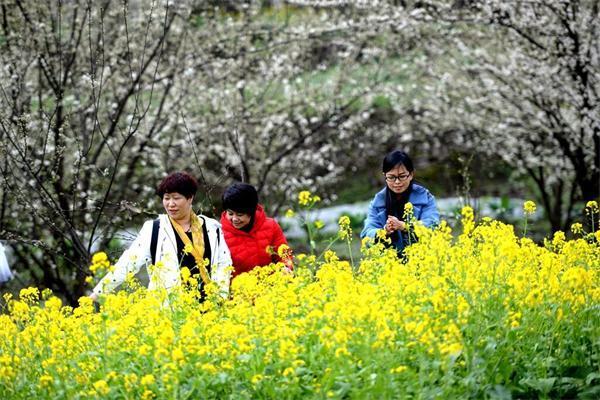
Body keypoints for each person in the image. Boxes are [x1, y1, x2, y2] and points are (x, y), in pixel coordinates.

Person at [90, 171, 232, 301]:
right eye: (166, 198)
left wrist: (220, 297)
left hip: (209, 309)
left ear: (190, 198)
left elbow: (223, 264)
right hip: (170, 312)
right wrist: (98, 293)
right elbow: (128, 263)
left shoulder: (211, 228)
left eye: (176, 198)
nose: (171, 204)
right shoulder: (154, 229)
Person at [361, 150, 440, 252]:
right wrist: (384, 231)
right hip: (390, 263)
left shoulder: (426, 198)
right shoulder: (377, 203)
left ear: (411, 174)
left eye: (402, 176)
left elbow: (433, 226)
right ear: (385, 176)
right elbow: (366, 235)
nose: (397, 182)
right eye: (391, 177)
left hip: (423, 258)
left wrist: (404, 226)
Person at [220, 183, 292, 279]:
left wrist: (286, 268)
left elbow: (283, 255)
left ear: (251, 212)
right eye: (230, 213)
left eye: (240, 214)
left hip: (272, 288)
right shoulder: (219, 234)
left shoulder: (271, 226)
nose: (234, 219)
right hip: (239, 291)